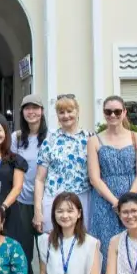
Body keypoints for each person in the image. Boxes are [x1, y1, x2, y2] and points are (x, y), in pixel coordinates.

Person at [87, 96, 137, 245]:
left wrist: (129, 200)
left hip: (134, 194)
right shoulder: (94, 140)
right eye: (108, 112)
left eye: (117, 111)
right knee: (106, 244)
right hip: (105, 200)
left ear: (124, 112)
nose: (112, 115)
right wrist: (116, 202)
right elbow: (94, 178)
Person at [34, 94, 92, 234]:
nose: (66, 116)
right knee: (53, 246)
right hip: (54, 200)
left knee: (81, 245)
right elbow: (39, 179)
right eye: (61, 112)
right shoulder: (50, 141)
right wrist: (37, 211)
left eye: (69, 111)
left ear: (77, 111)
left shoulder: (90, 139)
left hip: (82, 199)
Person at [10, 94, 47, 274]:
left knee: (47, 252)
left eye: (35, 108)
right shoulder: (15, 138)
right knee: (24, 252)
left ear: (42, 111)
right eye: (27, 108)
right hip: (22, 202)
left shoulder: (51, 137)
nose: (31, 112)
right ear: (22, 112)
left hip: (46, 202)